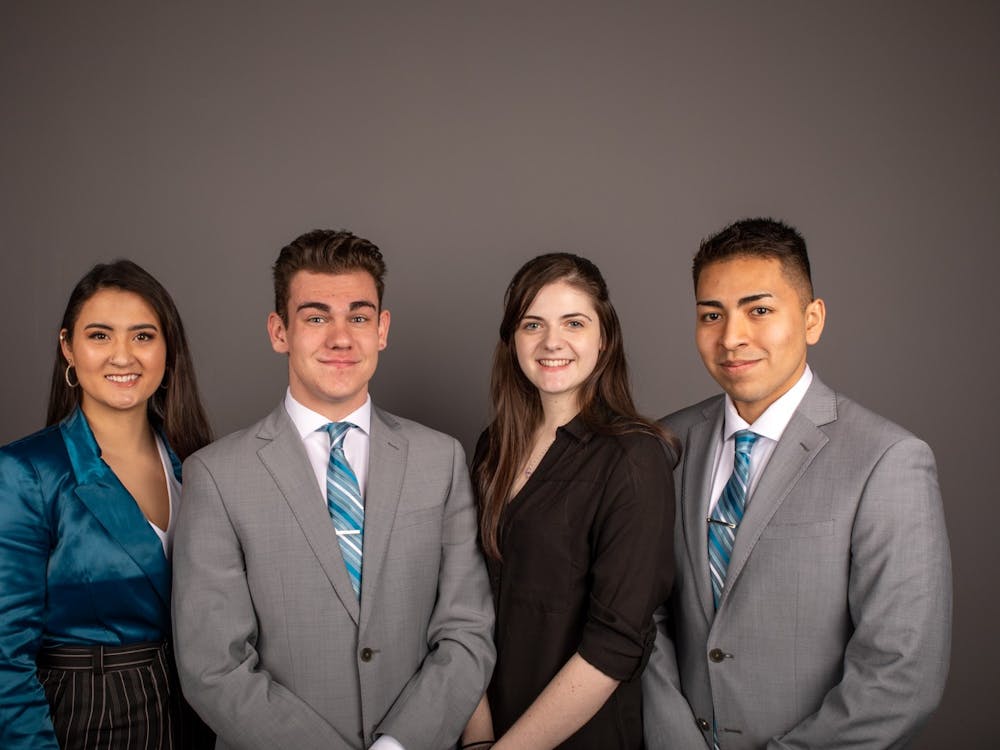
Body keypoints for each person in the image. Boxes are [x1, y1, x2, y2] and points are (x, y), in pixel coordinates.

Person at [171, 229, 495, 750]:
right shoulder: (216, 475)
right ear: (280, 331)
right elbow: (213, 666)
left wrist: (398, 746)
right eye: (316, 316)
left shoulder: (442, 460)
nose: (341, 338)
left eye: (359, 317)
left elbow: (466, 633)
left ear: (383, 329)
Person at [642, 218, 952, 749]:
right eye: (711, 315)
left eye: (759, 310)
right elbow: (641, 617)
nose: (731, 337)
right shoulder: (664, 444)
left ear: (812, 319)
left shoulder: (888, 459)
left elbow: (902, 673)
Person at [462, 253, 677, 750]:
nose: (551, 342)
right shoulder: (492, 447)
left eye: (573, 323)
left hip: (584, 737)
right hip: (480, 727)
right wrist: (477, 737)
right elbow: (462, 603)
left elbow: (616, 643)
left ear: (604, 338)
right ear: (512, 340)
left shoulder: (633, 458)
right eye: (532, 323)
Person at [0, 260, 214, 749]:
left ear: (167, 349)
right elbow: (4, 655)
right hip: (85, 718)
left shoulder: (198, 463)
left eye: (142, 336)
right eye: (100, 336)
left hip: (194, 718)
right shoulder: (27, 472)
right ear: (68, 349)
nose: (123, 356)